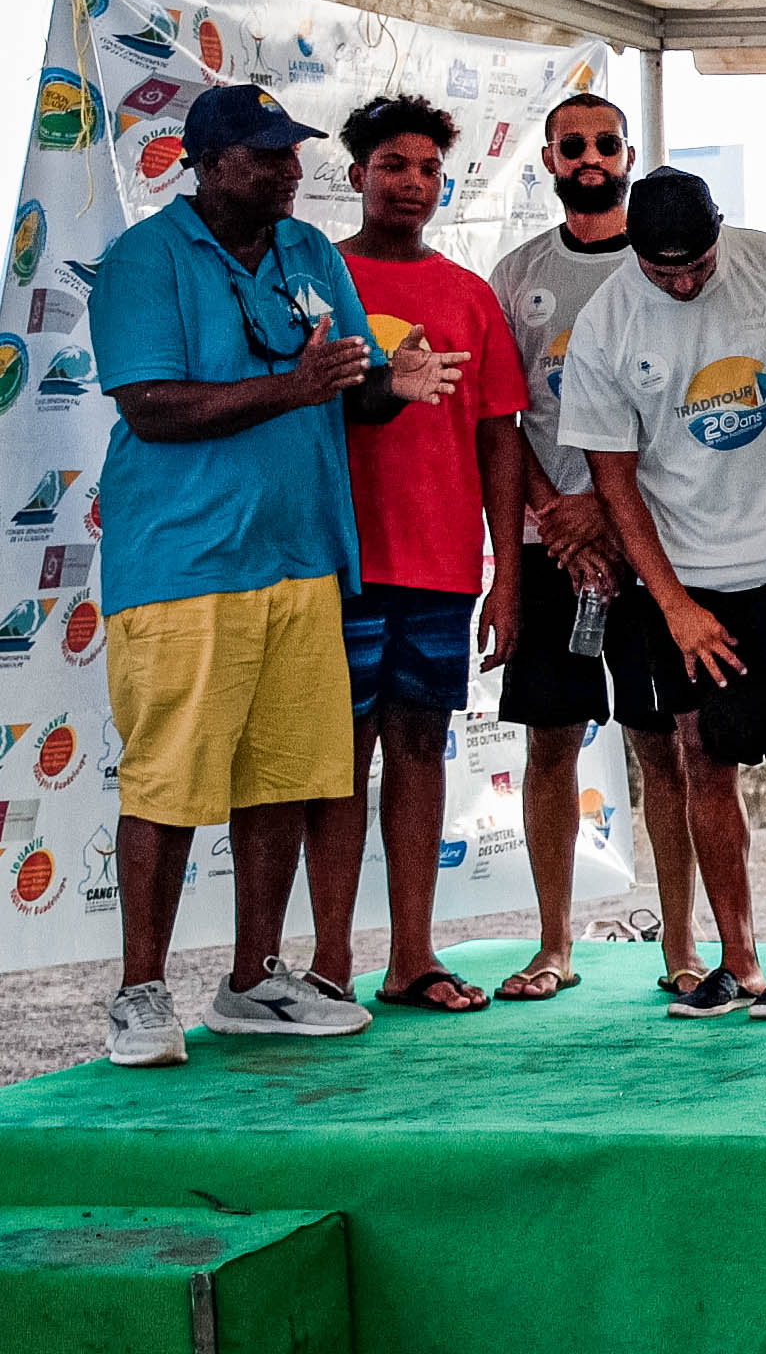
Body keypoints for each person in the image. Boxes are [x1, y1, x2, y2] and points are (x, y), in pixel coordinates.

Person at [93, 84, 462, 1065]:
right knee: (169, 784)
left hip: (304, 559)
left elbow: (348, 388)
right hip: (184, 565)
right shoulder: (146, 258)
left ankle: (254, 980)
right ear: (207, 164)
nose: (289, 171)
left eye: (292, 152)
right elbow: (150, 407)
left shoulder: (307, 253)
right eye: (265, 155)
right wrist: (293, 387)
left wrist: (393, 386)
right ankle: (139, 992)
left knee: (285, 779)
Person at [556, 168, 766, 1020]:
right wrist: (674, 605)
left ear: (720, 231)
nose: (685, 284)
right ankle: (736, 960)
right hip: (687, 572)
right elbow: (613, 484)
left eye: (697, 265)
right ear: (635, 254)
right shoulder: (607, 322)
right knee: (701, 755)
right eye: (666, 272)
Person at [304, 96, 528, 1015]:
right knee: (335, 760)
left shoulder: (470, 295)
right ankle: (327, 964)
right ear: (357, 174)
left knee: (420, 750)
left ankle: (411, 958)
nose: (412, 183)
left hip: (440, 566)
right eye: (393, 165)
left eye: (429, 168)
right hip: (335, 562)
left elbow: (500, 438)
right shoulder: (316, 278)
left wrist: (506, 577)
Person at [489, 93, 706, 1000]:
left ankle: (682, 947)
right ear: (548, 159)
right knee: (551, 747)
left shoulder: (666, 262)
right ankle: (554, 945)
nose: (590, 158)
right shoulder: (517, 276)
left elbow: (684, 412)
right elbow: (504, 420)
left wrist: (612, 522)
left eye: (605, 144)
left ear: (628, 154)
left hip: (651, 547)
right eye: (571, 146)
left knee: (668, 750)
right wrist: (558, 520)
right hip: (554, 551)